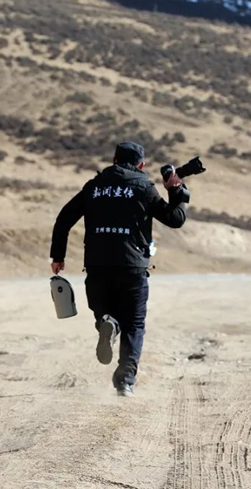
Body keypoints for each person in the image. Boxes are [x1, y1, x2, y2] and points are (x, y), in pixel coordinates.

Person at [50, 141, 189, 397]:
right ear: (141, 165)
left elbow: (64, 219)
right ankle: (125, 380)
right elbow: (175, 218)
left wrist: (58, 256)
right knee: (134, 325)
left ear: (114, 160)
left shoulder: (94, 187)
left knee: (104, 312)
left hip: (97, 265)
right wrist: (176, 190)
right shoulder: (144, 188)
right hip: (132, 267)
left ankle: (109, 322)